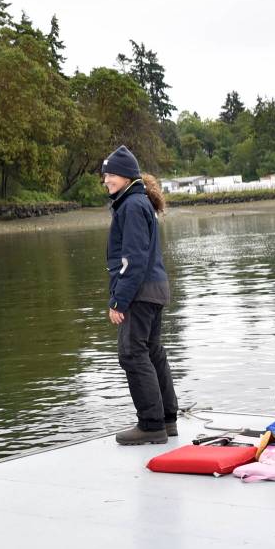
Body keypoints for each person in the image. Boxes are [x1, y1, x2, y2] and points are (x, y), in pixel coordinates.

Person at [102, 144, 178, 445]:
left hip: (140, 292)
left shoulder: (132, 206)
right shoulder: (136, 202)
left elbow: (131, 260)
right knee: (152, 351)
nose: (106, 181)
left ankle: (151, 424)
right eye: (105, 175)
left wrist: (119, 300)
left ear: (125, 176)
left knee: (132, 353)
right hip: (154, 289)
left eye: (110, 175)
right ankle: (168, 419)